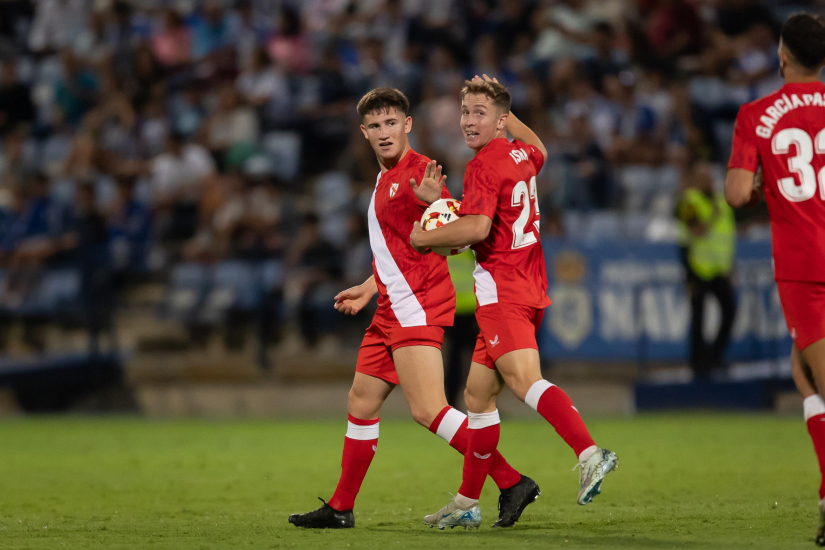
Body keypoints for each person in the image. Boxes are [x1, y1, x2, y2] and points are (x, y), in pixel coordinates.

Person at [288, 88, 538, 530]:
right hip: (390, 305)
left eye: (391, 123)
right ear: (363, 132)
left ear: (407, 125)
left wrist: (435, 201)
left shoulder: (421, 172)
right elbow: (400, 248)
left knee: (428, 410)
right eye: (374, 126)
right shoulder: (386, 177)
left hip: (416, 306)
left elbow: (457, 234)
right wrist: (370, 287)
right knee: (361, 402)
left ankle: (512, 480)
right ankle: (341, 507)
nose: (384, 132)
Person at [410, 76, 618, 529]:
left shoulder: (484, 164)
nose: (468, 121)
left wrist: (424, 236)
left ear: (500, 120)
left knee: (525, 382)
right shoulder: (521, 153)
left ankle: (589, 453)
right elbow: (535, 148)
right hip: (528, 284)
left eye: (479, 113)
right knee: (477, 397)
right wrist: (444, 199)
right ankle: (467, 501)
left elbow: (478, 229)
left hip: (502, 292)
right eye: (465, 112)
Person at [724, 13, 825, 546]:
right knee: (804, 373)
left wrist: (769, 186)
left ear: (782, 56)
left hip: (806, 263)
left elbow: (738, 194)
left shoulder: (758, 115)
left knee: (820, 377)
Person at [675, 162, 737, 379]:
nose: (708, 181)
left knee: (730, 310)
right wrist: (712, 216)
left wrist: (730, 267)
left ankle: (714, 356)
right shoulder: (689, 201)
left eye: (710, 177)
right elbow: (695, 230)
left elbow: (728, 236)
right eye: (704, 177)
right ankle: (697, 362)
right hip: (696, 268)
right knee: (698, 316)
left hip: (719, 269)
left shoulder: (721, 201)